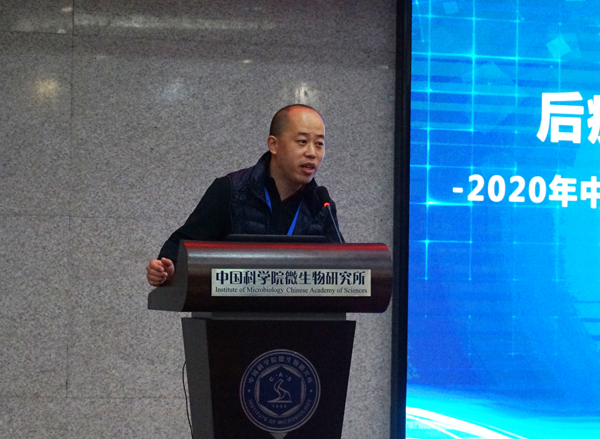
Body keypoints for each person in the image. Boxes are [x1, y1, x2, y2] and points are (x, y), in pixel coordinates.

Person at [146, 104, 343, 287]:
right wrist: (168, 269)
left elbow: (344, 268)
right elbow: (182, 245)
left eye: (319, 144)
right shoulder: (231, 190)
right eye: (302, 142)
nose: (312, 153)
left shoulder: (321, 204)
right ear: (273, 145)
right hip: (233, 309)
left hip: (299, 312)